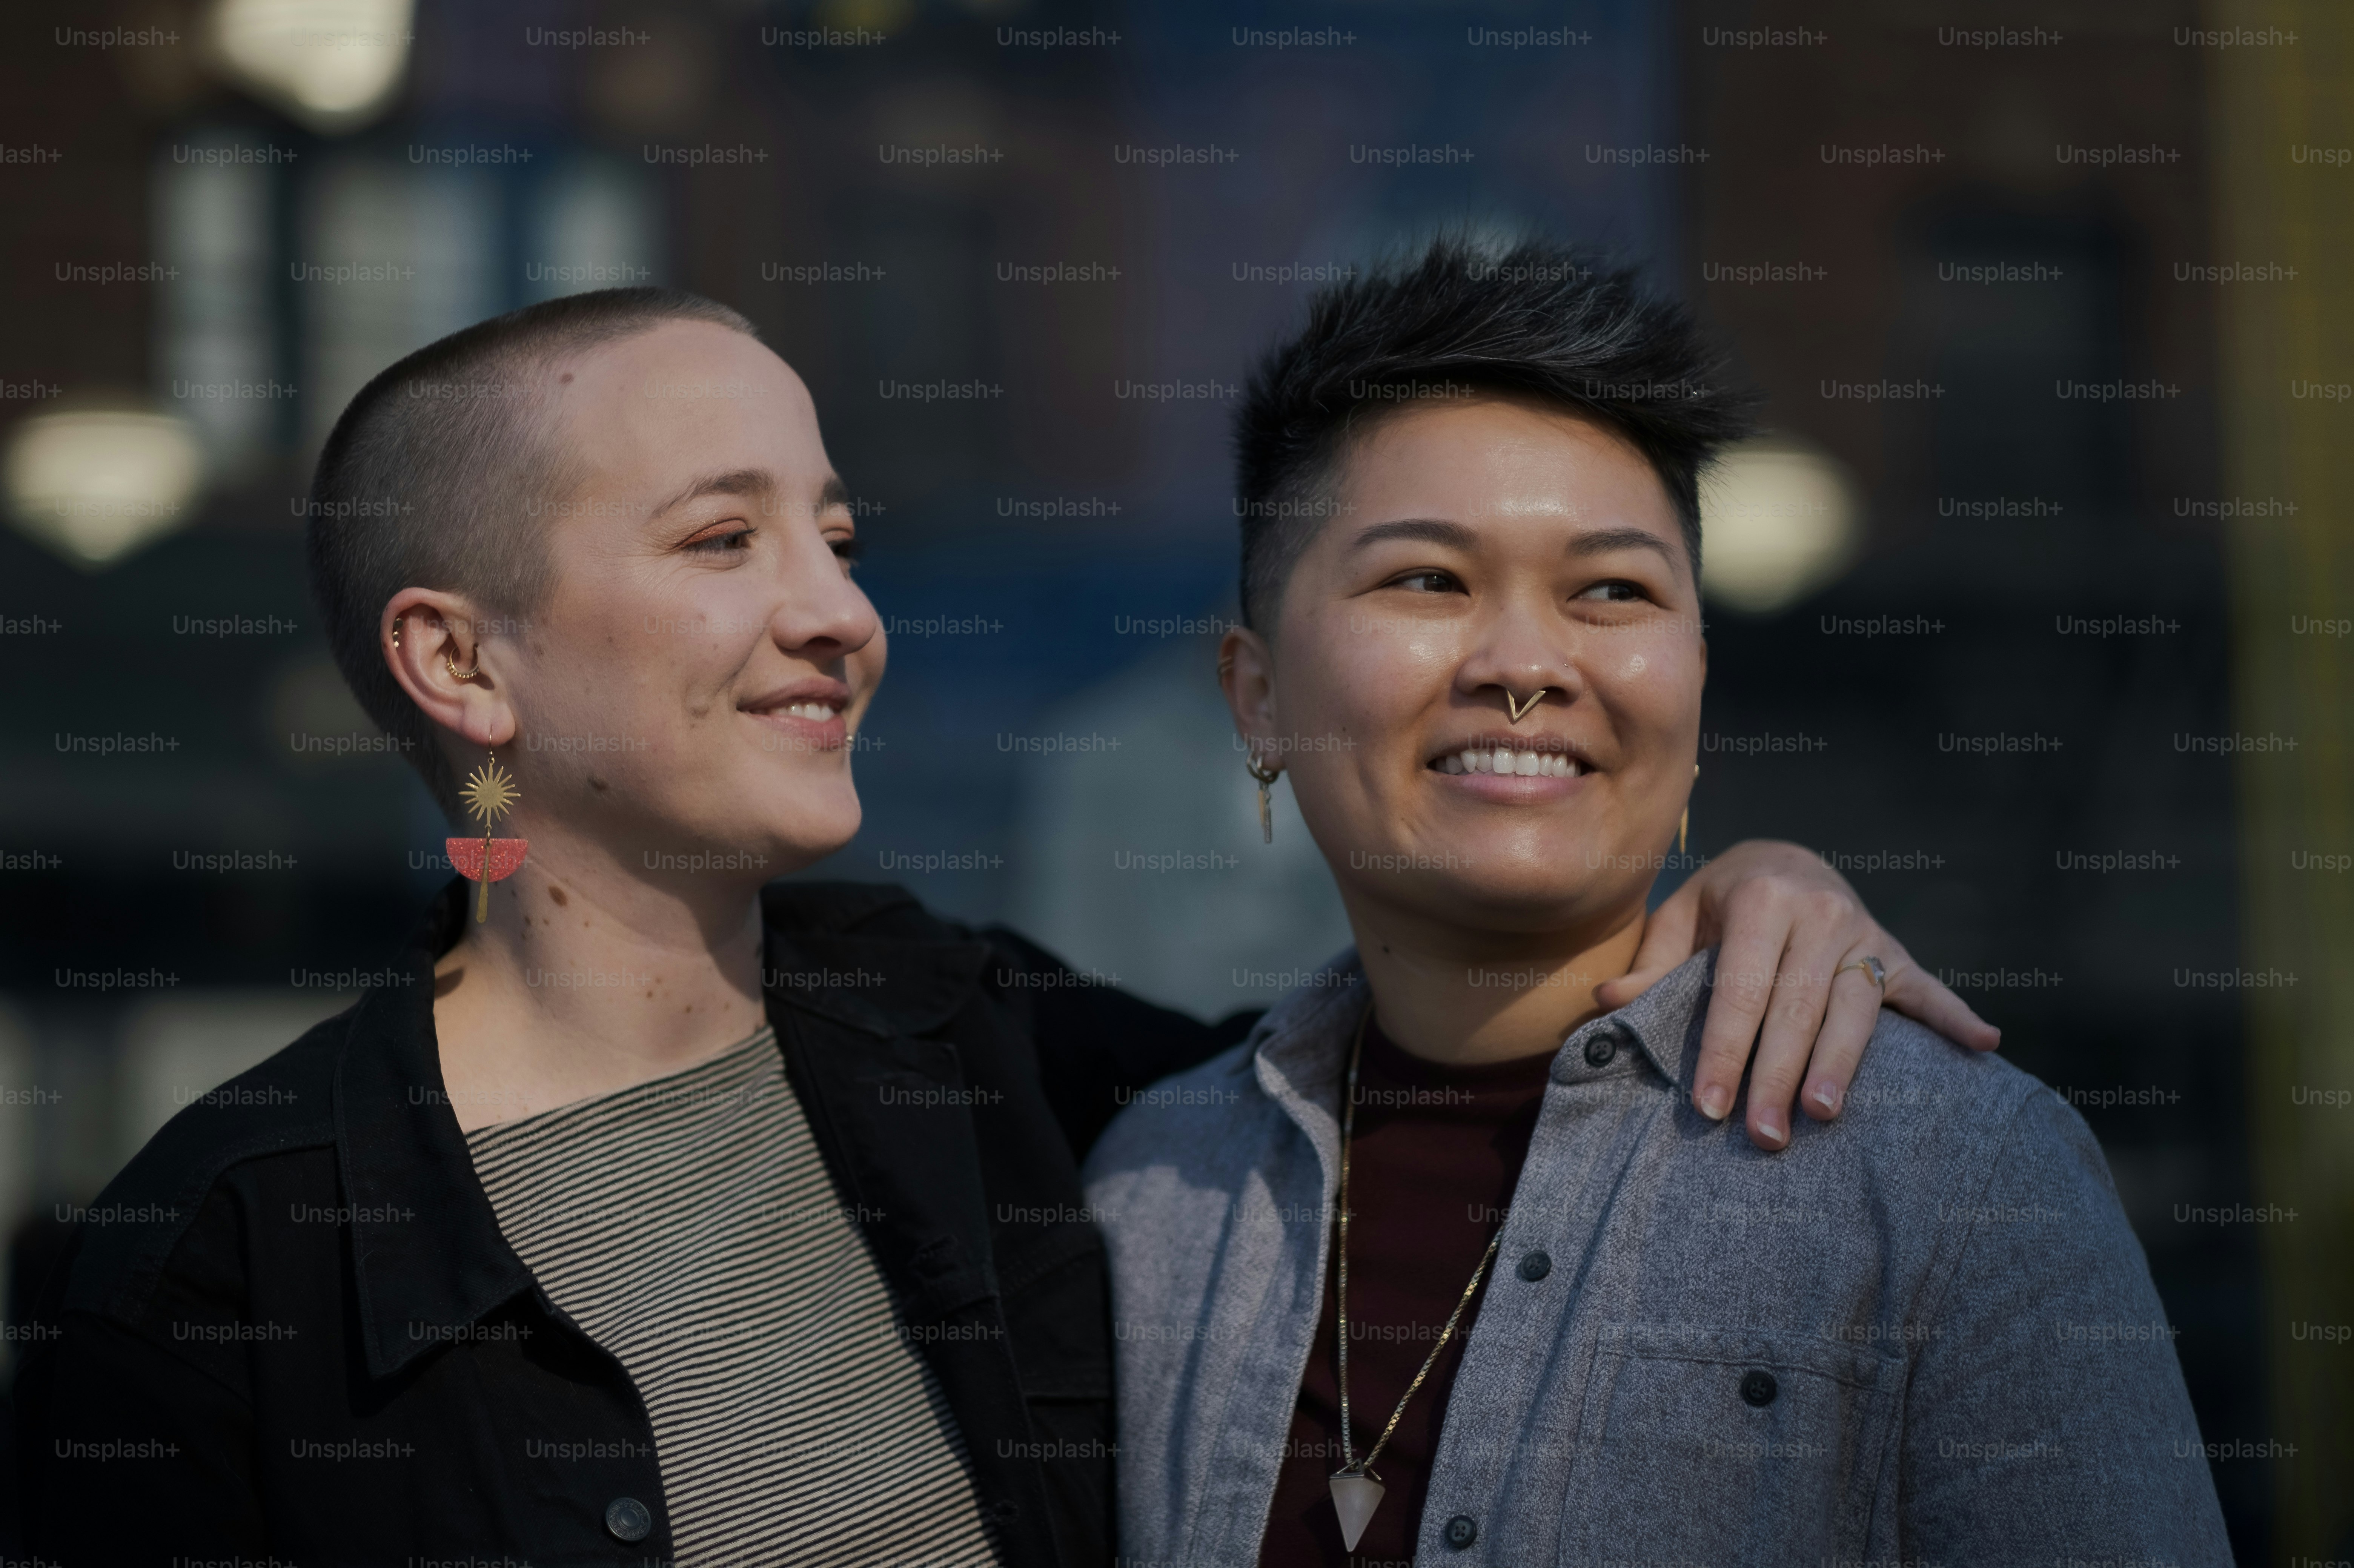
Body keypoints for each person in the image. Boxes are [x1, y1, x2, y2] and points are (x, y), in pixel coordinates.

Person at [18, 287, 1994, 1568]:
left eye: (839, 539)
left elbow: (1412, 1074)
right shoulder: (224, 1262)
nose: (840, 614)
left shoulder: (971, 1048)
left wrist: (1725, 898)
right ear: (460, 660)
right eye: (728, 544)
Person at [1083, 237, 2232, 1568]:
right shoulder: (1153, 1200)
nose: (1525, 665)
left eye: (1611, 592)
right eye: (1427, 580)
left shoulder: (1954, 1180)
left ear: (1695, 683)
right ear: (1258, 696)